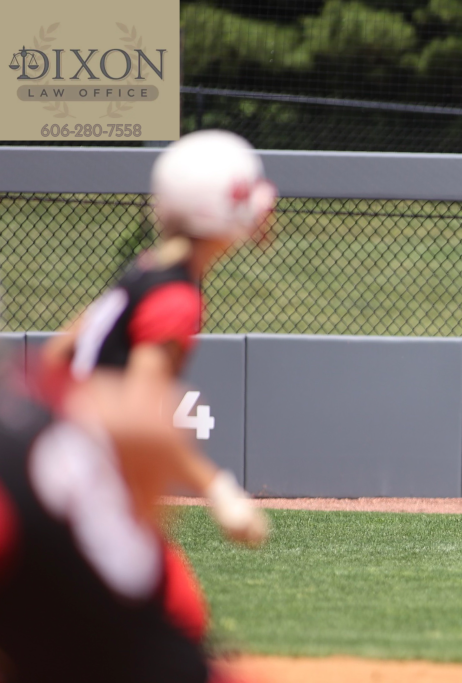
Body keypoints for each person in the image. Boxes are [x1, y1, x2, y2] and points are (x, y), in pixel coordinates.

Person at [36, 129, 276, 638]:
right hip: (82, 482)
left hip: (50, 467)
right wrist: (220, 492)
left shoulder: (146, 269)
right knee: (175, 624)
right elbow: (143, 415)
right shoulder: (176, 297)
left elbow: (56, 355)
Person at [0, 363, 248, 683]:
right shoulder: (28, 390)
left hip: (132, 645)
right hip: (147, 600)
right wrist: (217, 489)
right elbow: (153, 417)